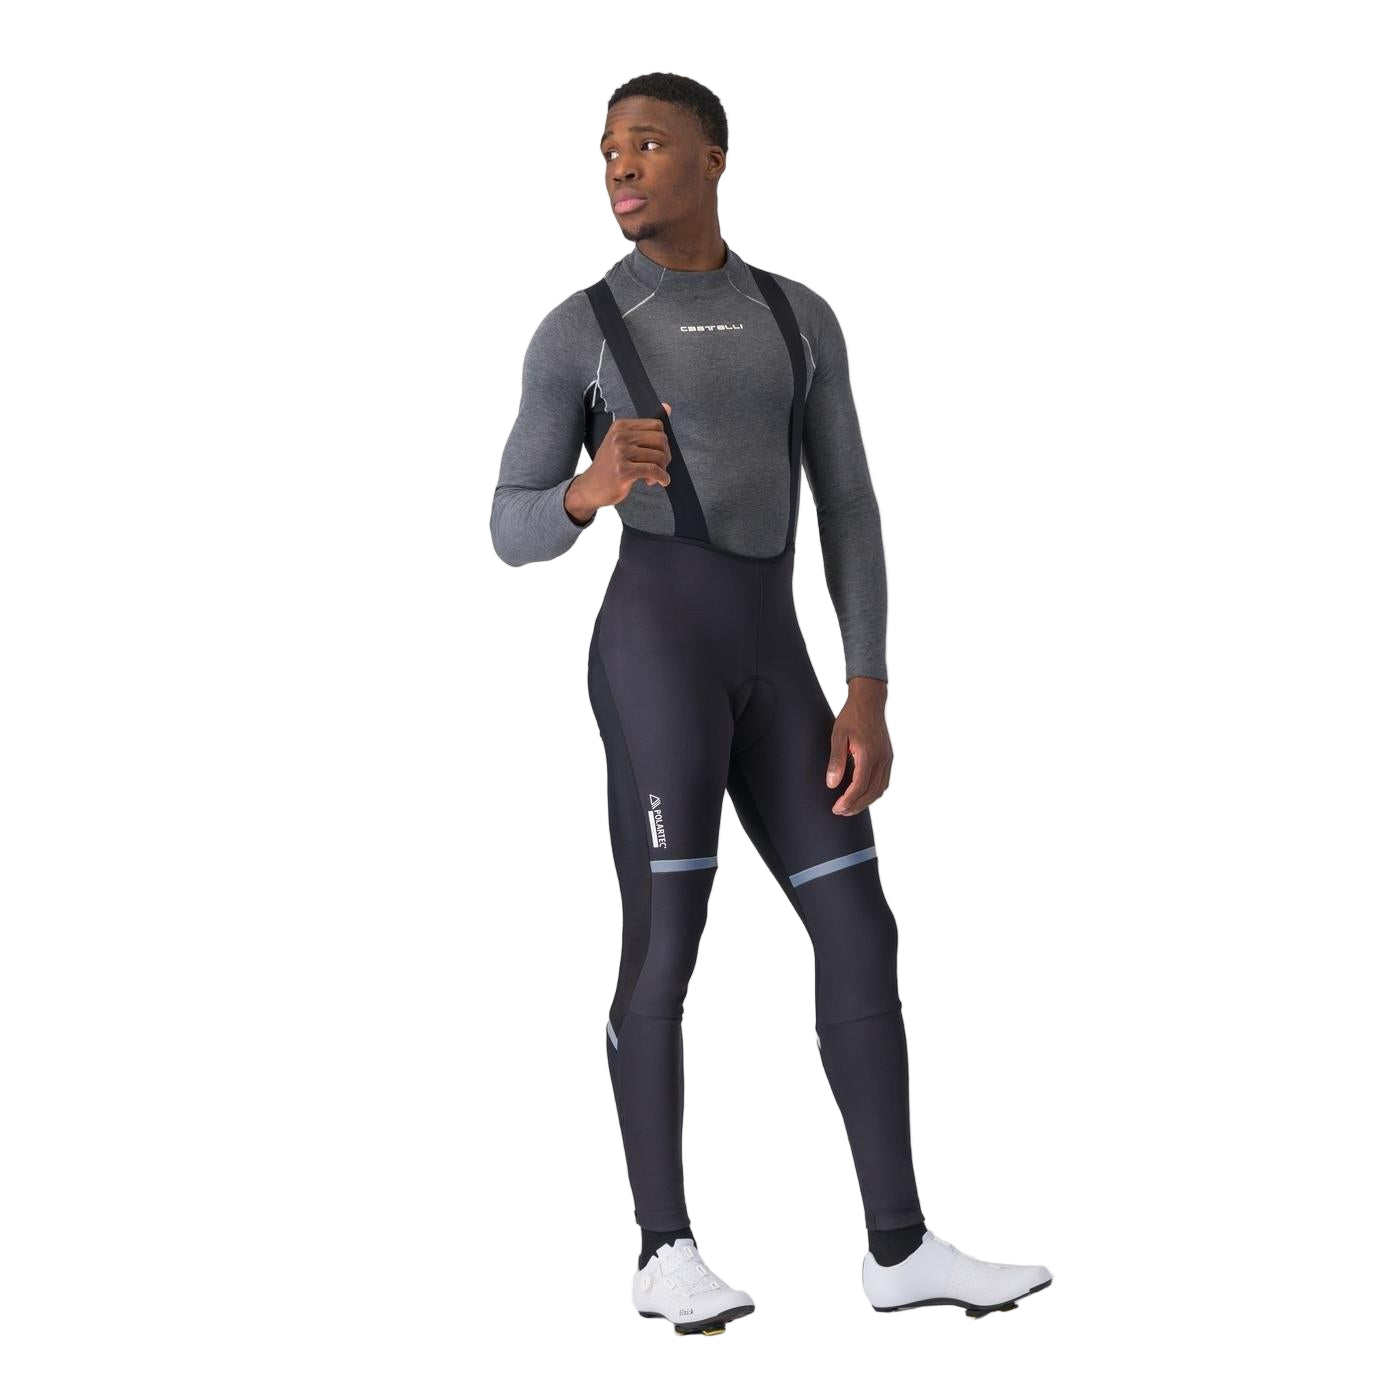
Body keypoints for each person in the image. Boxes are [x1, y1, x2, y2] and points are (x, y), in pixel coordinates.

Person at [491, 72, 1052, 1335]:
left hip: (777, 661)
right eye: (606, 149)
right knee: (666, 943)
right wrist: (586, 489)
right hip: (654, 657)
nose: (619, 166)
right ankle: (663, 1247)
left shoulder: (795, 315)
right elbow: (506, 526)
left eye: (646, 143)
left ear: (714, 158)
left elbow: (846, 502)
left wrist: (867, 685)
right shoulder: (580, 329)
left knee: (860, 926)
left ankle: (899, 1247)